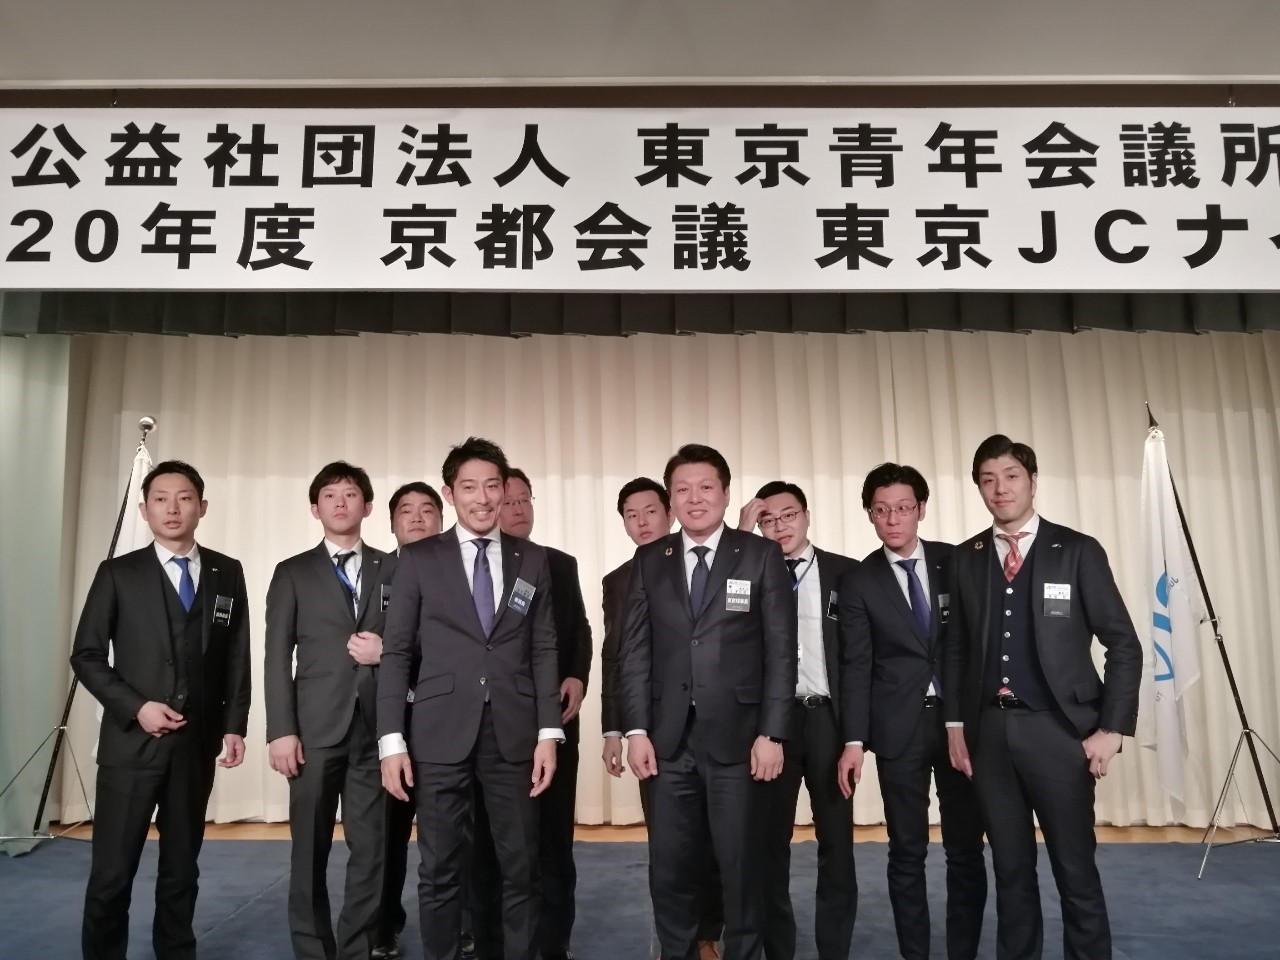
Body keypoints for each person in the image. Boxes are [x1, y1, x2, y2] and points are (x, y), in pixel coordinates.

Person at [944, 435, 1142, 960]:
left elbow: (1123, 643)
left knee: (1074, 870)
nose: (1000, 489)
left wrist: (1111, 728)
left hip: (1060, 732)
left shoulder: (1076, 550)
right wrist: (956, 726)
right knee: (1010, 871)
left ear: (1032, 481)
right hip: (990, 734)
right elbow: (956, 650)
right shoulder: (967, 557)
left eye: (1011, 476)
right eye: (988, 480)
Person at [378, 437, 563, 960]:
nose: (482, 498)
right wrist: (391, 741)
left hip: (516, 732)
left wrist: (549, 731)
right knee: (439, 869)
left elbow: (544, 646)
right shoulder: (419, 559)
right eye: (469, 487)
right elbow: (397, 652)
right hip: (438, 733)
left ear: (504, 490)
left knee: (521, 867)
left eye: (491, 486)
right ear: (450, 493)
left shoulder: (532, 559)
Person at [620, 444, 796, 960]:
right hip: (667, 741)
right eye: (682, 489)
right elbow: (635, 652)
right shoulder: (650, 559)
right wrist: (635, 730)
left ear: (725, 493)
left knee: (741, 864)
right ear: (671, 499)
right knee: (670, 864)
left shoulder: (760, 554)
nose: (694, 498)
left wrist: (772, 732)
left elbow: (780, 650)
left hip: (740, 741)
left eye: (705, 487)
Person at [71, 460, 251, 960]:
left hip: (195, 745)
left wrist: (234, 725)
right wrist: (137, 708)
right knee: (112, 873)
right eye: (161, 499)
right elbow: (86, 656)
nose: (173, 508)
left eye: (185, 498)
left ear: (202, 507)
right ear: (144, 509)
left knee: (181, 870)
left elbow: (237, 655)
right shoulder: (117, 573)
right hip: (131, 747)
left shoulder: (226, 571)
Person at [837, 464, 986, 960]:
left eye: (903, 508)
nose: (893, 519)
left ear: (921, 509)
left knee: (966, 848)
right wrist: (854, 740)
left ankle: (963, 950)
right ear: (870, 515)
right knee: (907, 851)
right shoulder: (860, 581)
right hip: (898, 728)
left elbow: (971, 641)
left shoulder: (954, 561)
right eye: (881, 510)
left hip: (959, 723)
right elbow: (856, 665)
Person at [265, 461, 397, 960]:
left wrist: (386, 651)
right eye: (330, 495)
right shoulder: (293, 572)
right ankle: (313, 950)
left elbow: (416, 640)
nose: (341, 502)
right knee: (309, 851)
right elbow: (276, 656)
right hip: (313, 730)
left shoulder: (395, 567)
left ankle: (356, 950)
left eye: (350, 494)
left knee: (373, 850)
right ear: (315, 509)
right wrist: (281, 730)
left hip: (378, 730)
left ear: (368, 506)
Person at [470, 467, 593, 960]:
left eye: (525, 500)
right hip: (491, 726)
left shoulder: (558, 564)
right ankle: (492, 940)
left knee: (554, 837)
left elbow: (579, 630)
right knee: (489, 844)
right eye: (509, 500)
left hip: (553, 719)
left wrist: (577, 676)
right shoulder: (470, 565)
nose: (518, 509)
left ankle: (554, 941)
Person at [601, 477, 724, 960]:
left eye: (650, 511)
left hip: (718, 725)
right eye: (631, 515)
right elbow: (616, 657)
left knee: (716, 840)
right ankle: (677, 942)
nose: (642, 522)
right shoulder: (617, 580)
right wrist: (616, 728)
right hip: (653, 732)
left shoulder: (713, 561)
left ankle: (709, 933)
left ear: (669, 512)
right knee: (670, 847)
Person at [738, 482, 859, 960]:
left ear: (807, 515)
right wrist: (741, 535)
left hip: (828, 719)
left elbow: (860, 657)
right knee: (771, 845)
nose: (779, 527)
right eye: (767, 520)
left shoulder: (845, 572)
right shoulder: (744, 572)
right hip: (772, 725)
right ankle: (778, 950)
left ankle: (835, 950)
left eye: (788, 515)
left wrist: (855, 735)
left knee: (838, 843)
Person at [374, 481, 445, 960]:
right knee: (386, 838)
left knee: (456, 838)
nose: (417, 518)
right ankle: (383, 927)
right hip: (390, 726)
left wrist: (387, 651)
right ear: (392, 522)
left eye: (427, 510)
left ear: (443, 518)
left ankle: (464, 926)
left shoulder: (463, 570)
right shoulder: (375, 574)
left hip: (448, 724)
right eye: (406, 511)